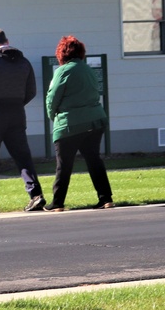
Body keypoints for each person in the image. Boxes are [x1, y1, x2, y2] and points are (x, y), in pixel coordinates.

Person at [0, 29, 46, 214]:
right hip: (17, 113)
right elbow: (32, 91)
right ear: (7, 41)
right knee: (23, 157)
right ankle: (35, 195)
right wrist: (18, 103)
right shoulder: (24, 62)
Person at [44, 35, 115, 212]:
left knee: (64, 164)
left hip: (70, 124)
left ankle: (58, 202)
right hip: (95, 121)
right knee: (94, 160)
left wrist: (53, 117)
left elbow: (52, 99)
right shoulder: (88, 70)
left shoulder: (63, 71)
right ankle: (106, 198)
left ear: (62, 54)